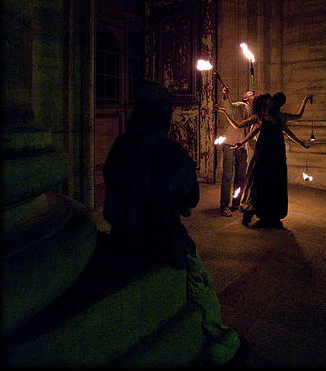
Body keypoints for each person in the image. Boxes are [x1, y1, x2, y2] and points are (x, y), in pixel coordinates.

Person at [102, 79, 248, 366]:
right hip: (162, 240)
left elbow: (113, 183)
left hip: (120, 234)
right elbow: (190, 199)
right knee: (201, 282)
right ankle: (219, 343)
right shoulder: (173, 154)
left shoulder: (120, 145)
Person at [216, 92, 312, 228]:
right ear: (265, 102)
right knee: (259, 183)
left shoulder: (277, 116)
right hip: (263, 154)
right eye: (269, 99)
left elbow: (288, 130)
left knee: (274, 183)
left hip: (277, 155)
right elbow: (239, 126)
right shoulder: (258, 117)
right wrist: (225, 113)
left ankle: (271, 213)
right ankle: (251, 210)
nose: (271, 100)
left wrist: (300, 142)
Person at [218, 86, 255, 217]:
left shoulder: (254, 112)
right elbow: (230, 108)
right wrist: (226, 96)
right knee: (228, 175)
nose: (253, 94)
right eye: (250, 93)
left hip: (242, 147)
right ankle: (224, 205)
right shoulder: (241, 106)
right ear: (245, 98)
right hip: (229, 145)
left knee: (240, 176)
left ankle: (236, 202)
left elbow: (252, 132)